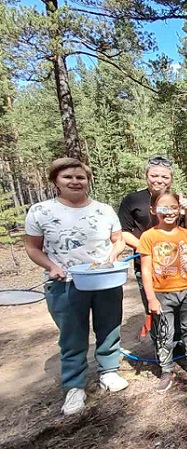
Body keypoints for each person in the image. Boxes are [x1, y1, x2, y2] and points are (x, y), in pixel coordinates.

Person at [25, 158, 128, 415]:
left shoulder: (103, 210)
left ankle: (109, 371)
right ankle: (75, 386)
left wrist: (112, 257)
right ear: (55, 181)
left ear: (88, 181)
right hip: (65, 283)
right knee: (72, 336)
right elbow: (32, 247)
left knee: (109, 327)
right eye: (67, 177)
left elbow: (118, 240)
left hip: (104, 280)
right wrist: (52, 267)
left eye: (80, 177)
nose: (75, 182)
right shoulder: (41, 211)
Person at [118, 155, 187, 350]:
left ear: (171, 179)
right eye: (154, 175)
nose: (159, 180)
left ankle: (181, 345)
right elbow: (123, 232)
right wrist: (148, 250)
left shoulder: (177, 200)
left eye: (165, 177)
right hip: (147, 264)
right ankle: (163, 349)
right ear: (146, 175)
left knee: (181, 308)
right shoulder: (132, 200)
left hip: (178, 266)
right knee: (156, 308)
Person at [138, 191, 187, 393]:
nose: (169, 212)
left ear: (179, 210)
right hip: (162, 294)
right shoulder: (148, 237)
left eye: (174, 207)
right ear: (153, 210)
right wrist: (151, 299)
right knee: (165, 333)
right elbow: (146, 270)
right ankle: (166, 369)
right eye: (163, 208)